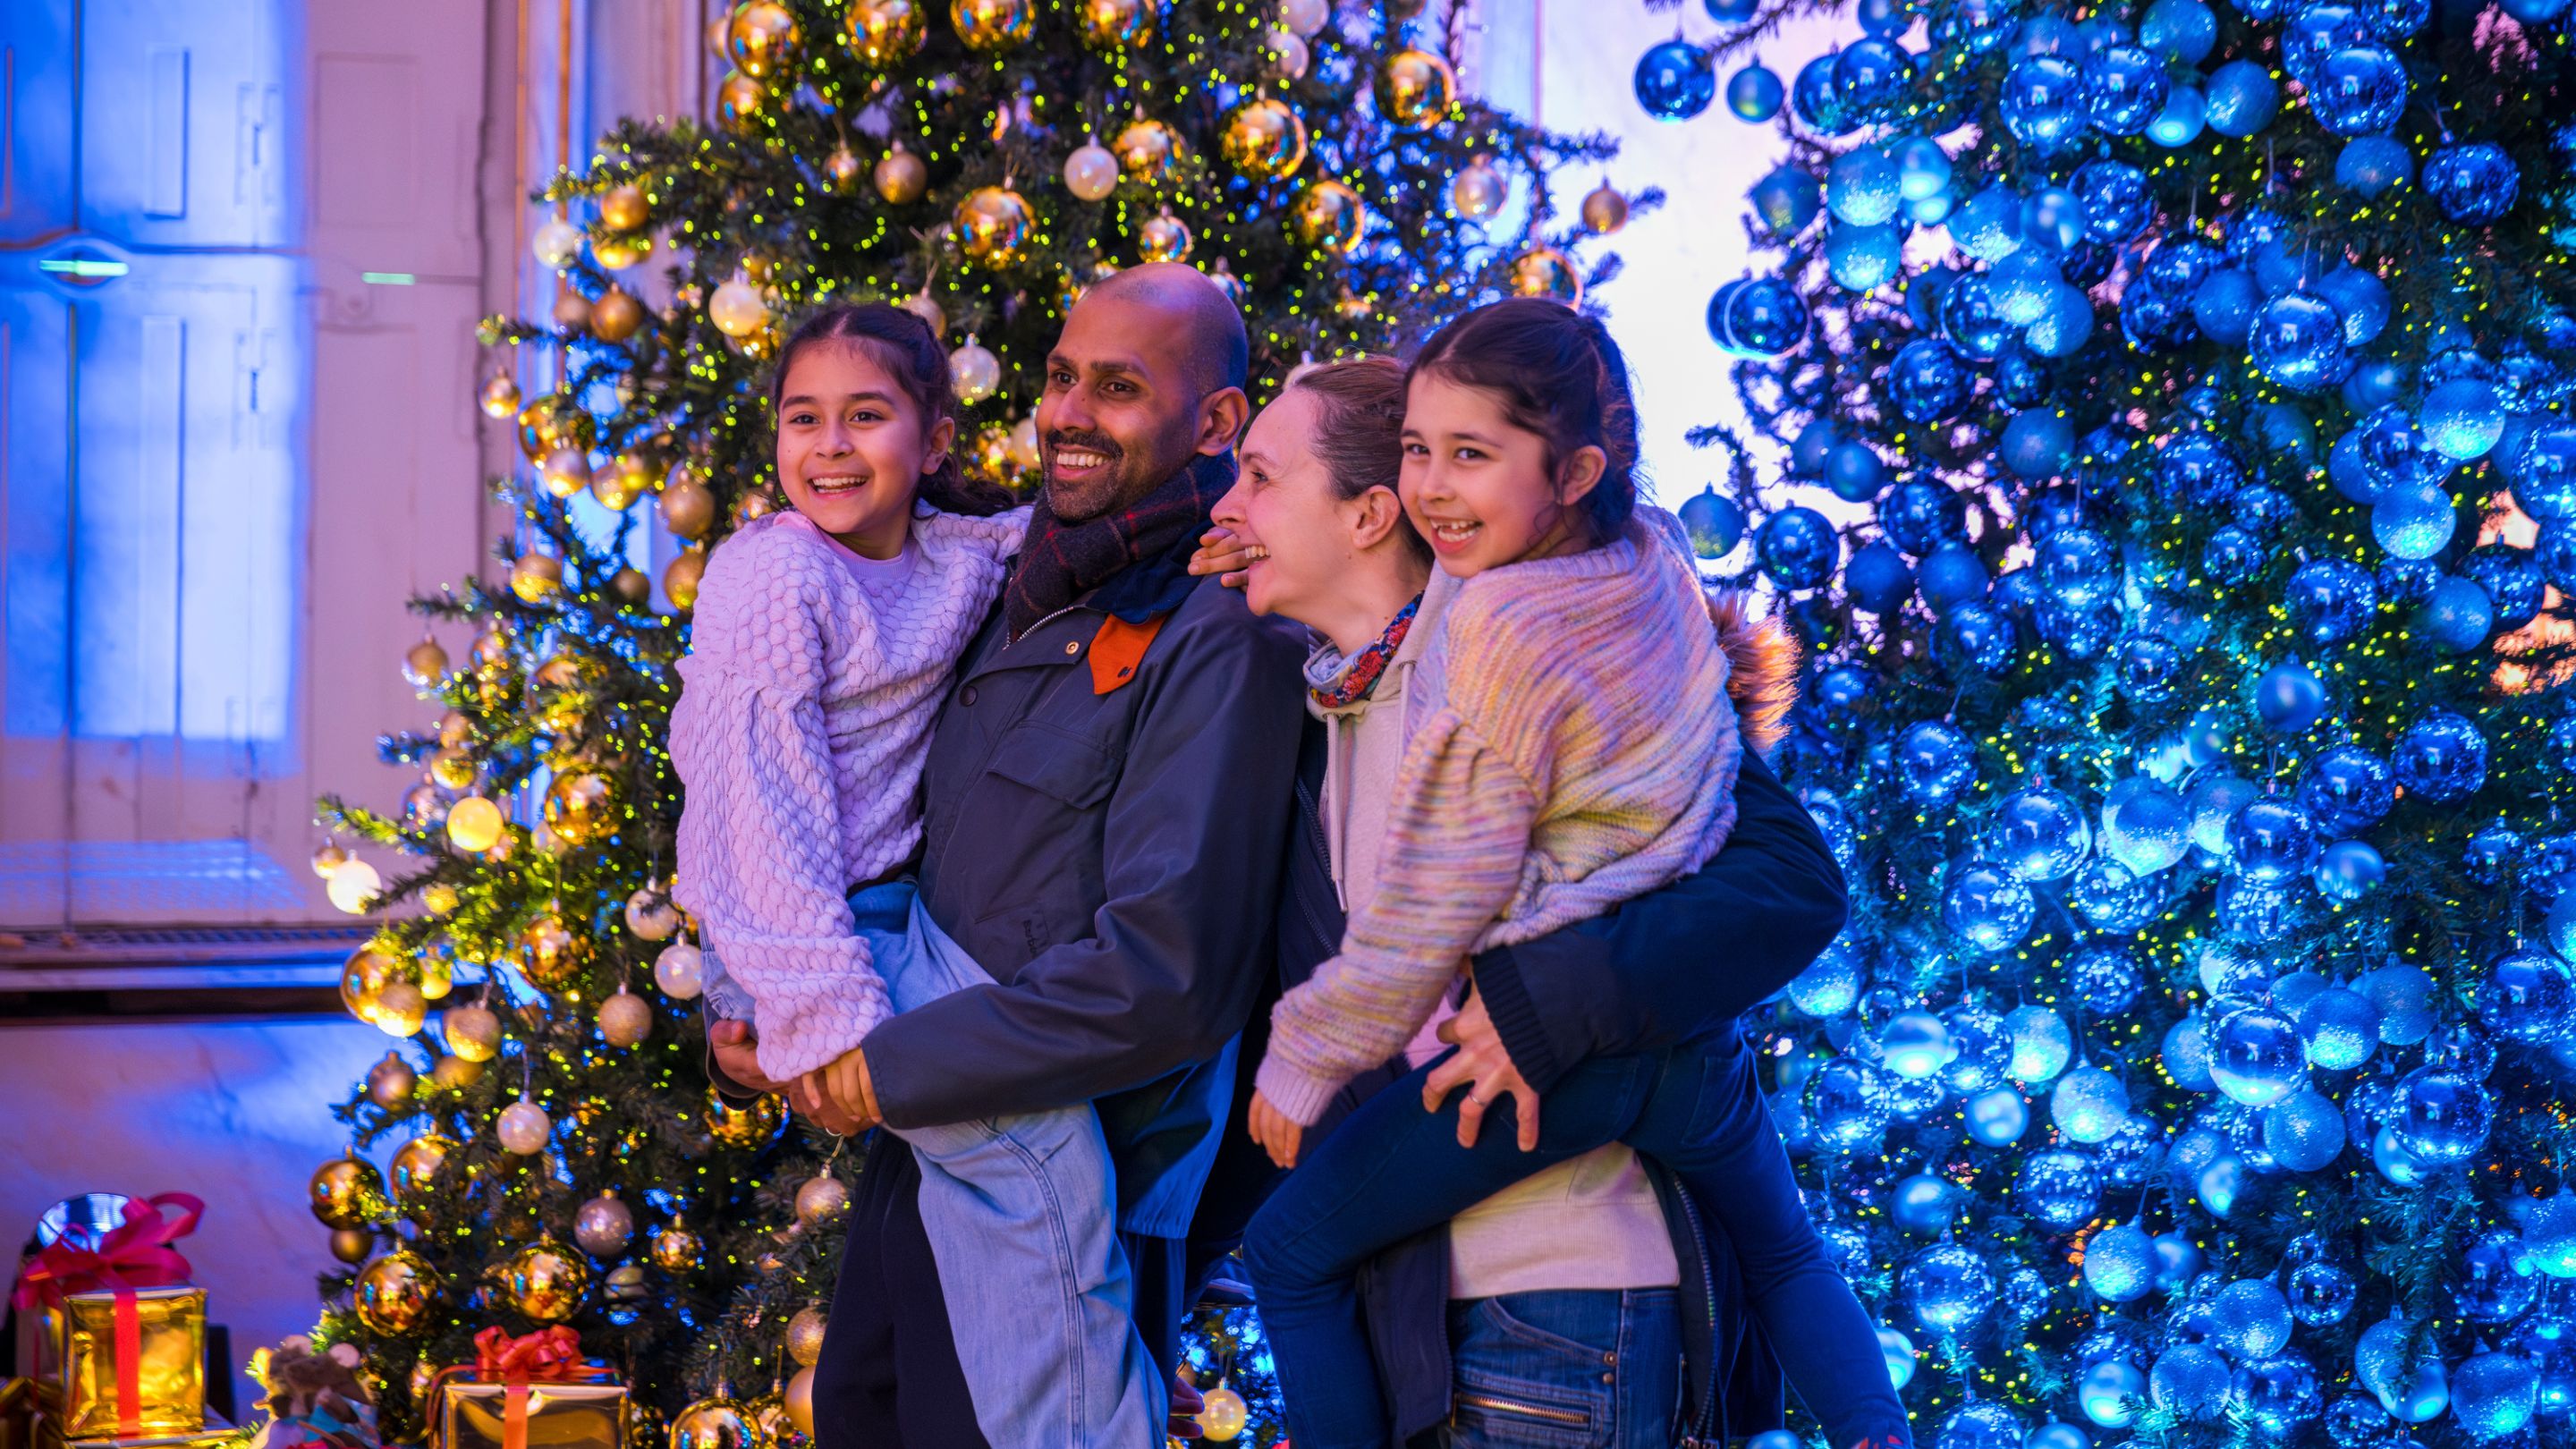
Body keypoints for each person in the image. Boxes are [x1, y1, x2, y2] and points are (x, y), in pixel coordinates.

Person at [1226, 304, 1911, 1449]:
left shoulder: (1490, 650)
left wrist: (1308, 1060)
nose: (1225, 509)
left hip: (1559, 1191)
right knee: (1789, 1248)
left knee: (1291, 1248)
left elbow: (1426, 919)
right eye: (1419, 448)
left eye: (1254, 477)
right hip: (1689, 1069)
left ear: (1363, 518)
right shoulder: (1631, 573)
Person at [702, 263, 1309, 1449]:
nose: (1071, 414)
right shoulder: (994, 575)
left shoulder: (1220, 629)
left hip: (1077, 1169)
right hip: (926, 1147)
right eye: (1061, 378)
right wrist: (753, 1007)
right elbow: (834, 812)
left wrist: (885, 1064)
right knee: (869, 1417)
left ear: (1218, 423)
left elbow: (1167, 978)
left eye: (1120, 387)